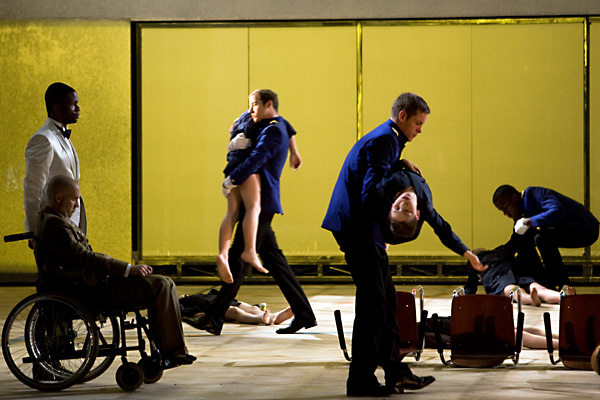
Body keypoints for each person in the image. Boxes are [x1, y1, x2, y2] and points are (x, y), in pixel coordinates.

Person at [322, 93, 480, 396]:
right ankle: (361, 381)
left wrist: (398, 164)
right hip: (358, 229)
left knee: (385, 305)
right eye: (418, 123)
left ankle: (396, 373)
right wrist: (399, 171)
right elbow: (370, 193)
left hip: (364, 231)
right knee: (373, 308)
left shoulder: (389, 141)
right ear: (403, 116)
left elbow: (377, 176)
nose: (420, 130)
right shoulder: (385, 140)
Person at [191, 89, 317, 336]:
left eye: (254, 105)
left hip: (262, 202)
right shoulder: (273, 124)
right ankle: (304, 314)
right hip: (258, 202)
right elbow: (288, 126)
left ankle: (214, 317)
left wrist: (232, 179)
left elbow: (257, 159)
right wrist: (294, 151)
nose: (250, 110)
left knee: (239, 257)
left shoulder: (273, 131)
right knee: (274, 260)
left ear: (269, 104)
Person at [35, 175, 195, 368]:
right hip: (88, 291)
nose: (77, 205)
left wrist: (123, 269)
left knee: (166, 283)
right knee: (160, 285)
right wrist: (127, 269)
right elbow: (85, 258)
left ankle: (174, 351)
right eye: (74, 199)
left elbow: (84, 257)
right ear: (59, 198)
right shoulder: (56, 225)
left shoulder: (54, 220)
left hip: (90, 285)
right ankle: (171, 352)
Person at [217, 109, 302, 283]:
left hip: (232, 167)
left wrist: (294, 151)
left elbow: (287, 128)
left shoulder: (242, 120)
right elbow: (284, 127)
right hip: (245, 171)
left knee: (232, 214)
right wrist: (294, 151)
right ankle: (249, 250)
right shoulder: (262, 123)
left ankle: (222, 254)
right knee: (254, 208)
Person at [493, 184, 599, 289]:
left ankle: (563, 285)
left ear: (514, 198)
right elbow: (516, 242)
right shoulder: (521, 215)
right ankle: (546, 287)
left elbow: (558, 211)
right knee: (523, 243)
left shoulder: (533, 194)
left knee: (541, 238)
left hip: (586, 228)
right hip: (566, 230)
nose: (505, 213)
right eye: (502, 211)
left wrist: (529, 221)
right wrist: (494, 256)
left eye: (505, 207)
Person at [24, 82, 86, 236]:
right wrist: (34, 231)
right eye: (73, 104)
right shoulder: (43, 139)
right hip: (53, 227)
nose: (78, 108)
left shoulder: (61, 135)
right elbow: (33, 189)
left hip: (71, 223)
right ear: (57, 108)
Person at [464, 244, 574, 306]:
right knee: (538, 288)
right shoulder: (500, 250)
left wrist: (463, 297)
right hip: (517, 271)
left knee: (514, 291)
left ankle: (530, 299)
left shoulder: (477, 260)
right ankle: (562, 296)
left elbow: (470, 286)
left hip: (499, 276)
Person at [180, 288, 293, 325]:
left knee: (253, 308)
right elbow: (189, 313)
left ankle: (273, 317)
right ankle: (260, 318)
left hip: (220, 299)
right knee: (235, 312)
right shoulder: (182, 305)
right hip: (210, 306)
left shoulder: (186, 298)